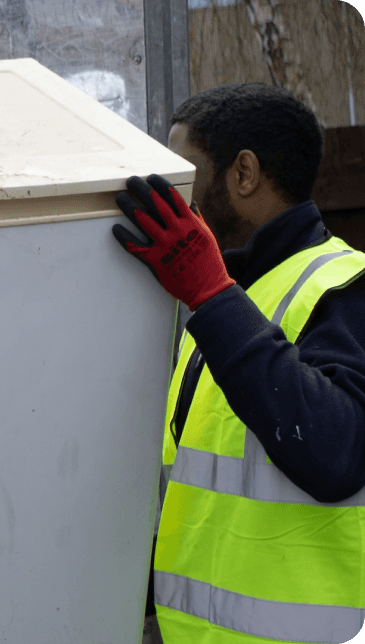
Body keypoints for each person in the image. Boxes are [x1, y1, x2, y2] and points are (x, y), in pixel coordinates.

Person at [112, 83, 365, 644]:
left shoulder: (344, 286)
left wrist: (209, 293)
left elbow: (336, 453)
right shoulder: (228, 297)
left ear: (243, 173)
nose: (175, 195)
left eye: (184, 171)